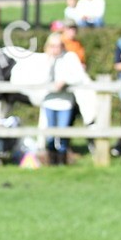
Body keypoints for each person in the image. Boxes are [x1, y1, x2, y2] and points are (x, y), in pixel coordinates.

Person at [36, 34, 89, 165]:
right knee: (50, 133)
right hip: (49, 101)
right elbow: (38, 79)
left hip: (65, 102)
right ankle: (51, 160)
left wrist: (64, 82)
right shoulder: (43, 60)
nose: (56, 49)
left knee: (63, 131)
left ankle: (62, 160)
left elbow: (79, 77)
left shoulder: (70, 58)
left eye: (58, 46)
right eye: (52, 46)